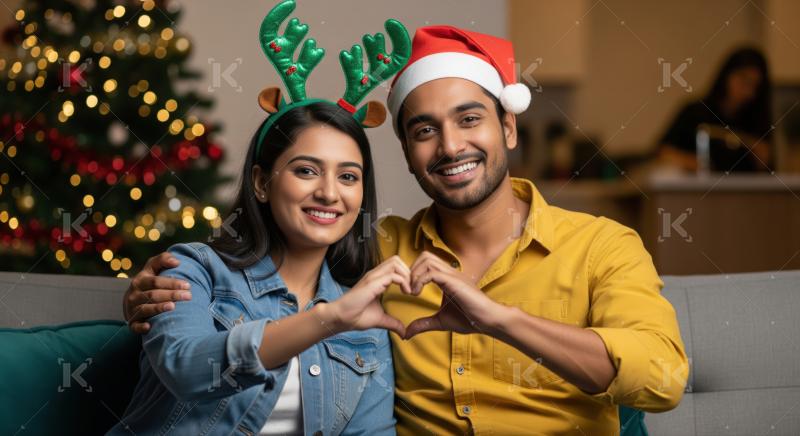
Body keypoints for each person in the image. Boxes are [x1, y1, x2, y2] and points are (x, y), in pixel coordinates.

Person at [124, 24, 688, 435]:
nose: (451, 146)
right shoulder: (374, 254)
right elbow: (266, 282)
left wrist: (500, 321)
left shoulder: (602, 246)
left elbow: (661, 379)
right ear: (407, 153)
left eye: (470, 119)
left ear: (509, 127)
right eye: (424, 131)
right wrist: (147, 291)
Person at [109, 1, 413, 435]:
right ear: (261, 183)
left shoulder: (363, 320)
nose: (329, 192)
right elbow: (187, 370)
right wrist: (328, 319)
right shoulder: (194, 270)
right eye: (306, 170)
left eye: (348, 176)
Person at [659, 47, 773, 172]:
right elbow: (663, 151)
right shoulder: (695, 112)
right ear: (726, 75)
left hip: (741, 183)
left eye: (754, 85)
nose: (747, 91)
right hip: (696, 182)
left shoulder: (757, 119)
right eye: (743, 80)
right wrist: (690, 162)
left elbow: (767, 167)